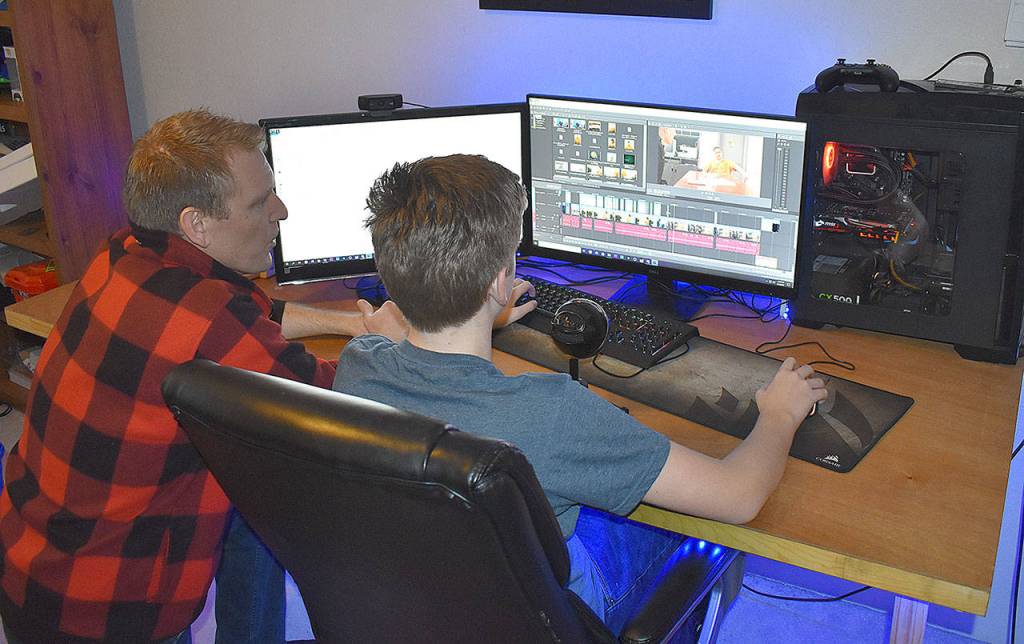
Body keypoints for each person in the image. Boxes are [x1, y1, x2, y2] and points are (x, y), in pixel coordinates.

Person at [333, 154, 827, 635]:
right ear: (501, 282)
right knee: (696, 528)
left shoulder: (360, 363)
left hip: (416, 606)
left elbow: (400, 347)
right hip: (554, 613)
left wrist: (477, 314)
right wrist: (780, 414)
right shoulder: (552, 412)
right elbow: (740, 496)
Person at [0, 109, 408, 644]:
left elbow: (249, 311)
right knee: (283, 486)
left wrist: (353, 322)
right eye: (261, 202)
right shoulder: (209, 319)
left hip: (31, 561)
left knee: (253, 487)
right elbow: (343, 400)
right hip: (107, 611)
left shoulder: (124, 254)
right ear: (197, 224)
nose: (281, 211)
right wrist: (401, 340)